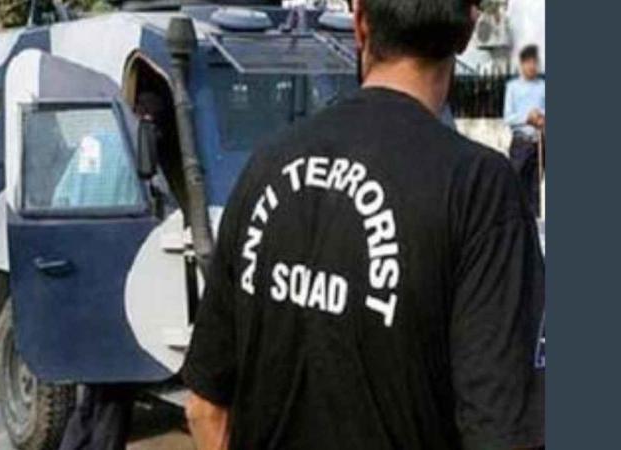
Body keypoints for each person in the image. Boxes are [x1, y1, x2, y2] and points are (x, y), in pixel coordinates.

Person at [182, 1, 545, 449]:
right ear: (469, 28)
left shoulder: (267, 163)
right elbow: (501, 432)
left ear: (359, 23)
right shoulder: (480, 189)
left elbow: (205, 408)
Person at [504, 44, 545, 216]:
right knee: (516, 184)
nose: (532, 66)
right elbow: (508, 118)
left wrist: (541, 117)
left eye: (534, 62)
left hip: (538, 143)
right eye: (528, 63)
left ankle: (535, 222)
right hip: (520, 143)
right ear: (521, 64)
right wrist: (526, 118)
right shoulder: (513, 87)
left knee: (536, 188)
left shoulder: (543, 86)